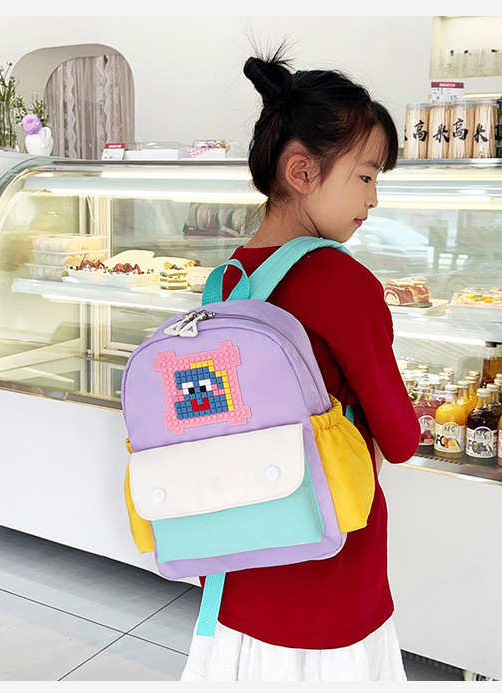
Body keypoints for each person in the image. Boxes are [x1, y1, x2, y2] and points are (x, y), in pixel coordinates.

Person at [180, 49, 420, 682]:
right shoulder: (342, 282)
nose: (374, 198)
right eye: (365, 176)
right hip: (325, 567)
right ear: (302, 170)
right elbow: (401, 439)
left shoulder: (223, 281)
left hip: (235, 564)